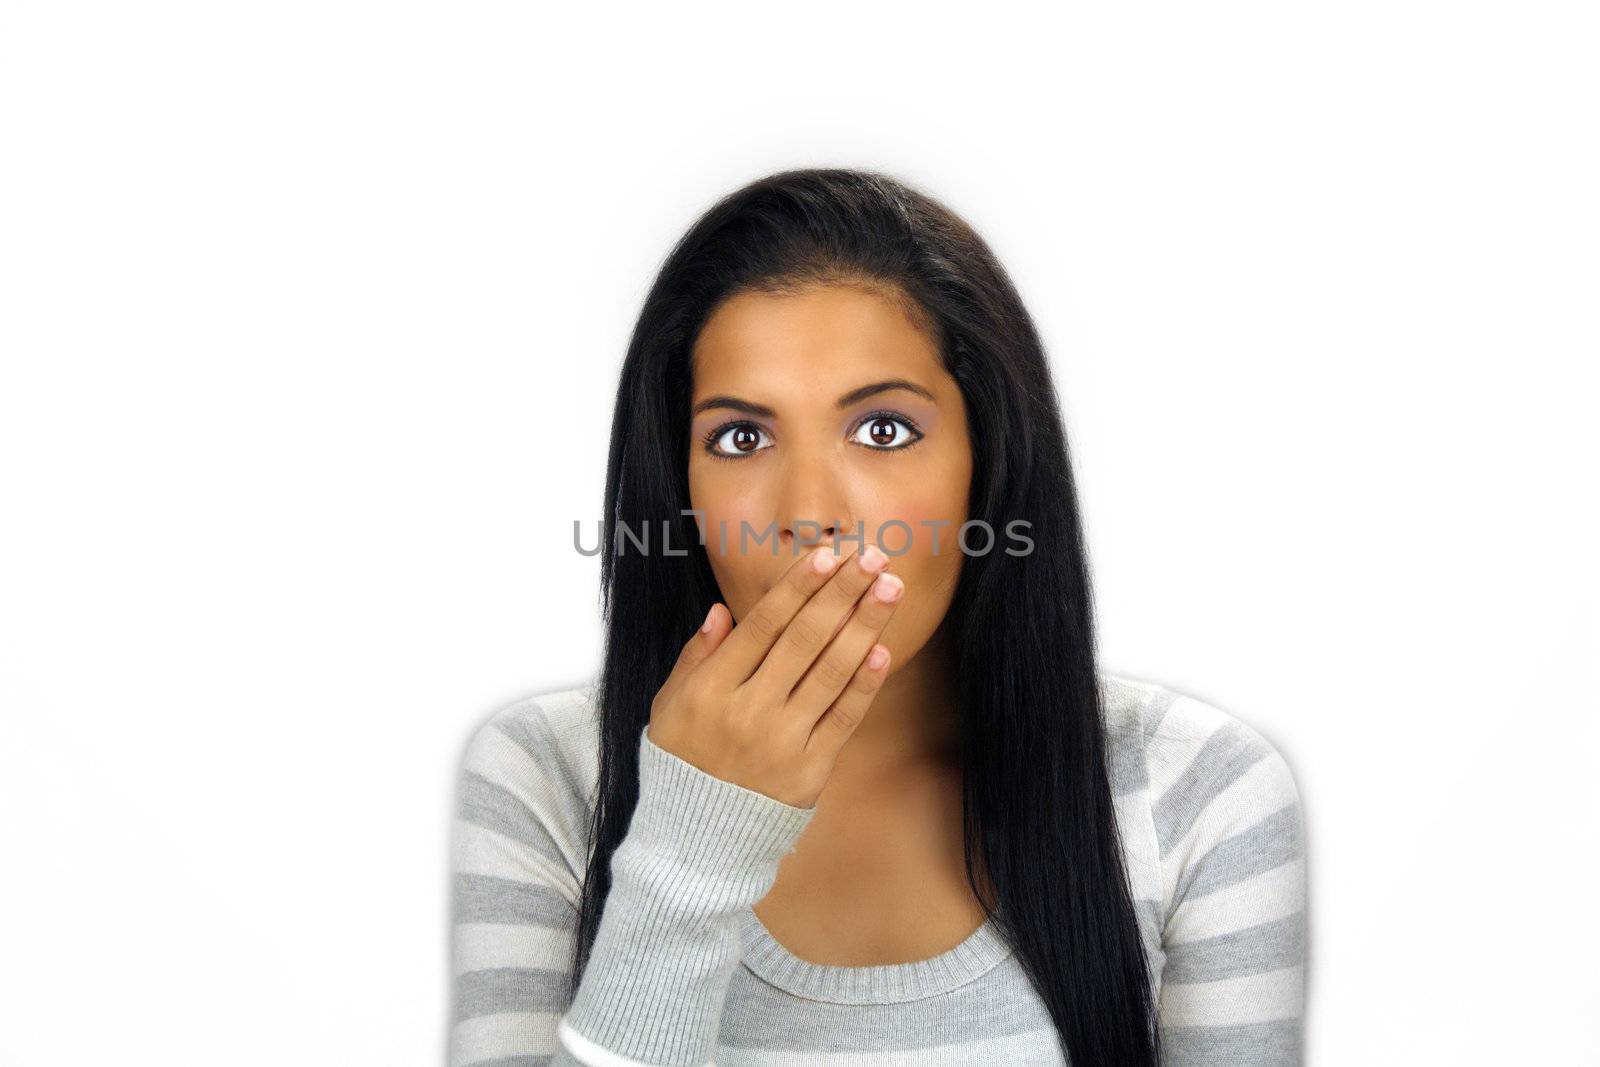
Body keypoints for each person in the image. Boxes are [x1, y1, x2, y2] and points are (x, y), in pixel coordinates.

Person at [448, 168, 1308, 1066]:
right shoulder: (544, 778)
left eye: (883, 430)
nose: (813, 512)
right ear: (679, 485)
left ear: (990, 460)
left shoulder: (1198, 791)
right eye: (742, 437)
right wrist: (686, 845)